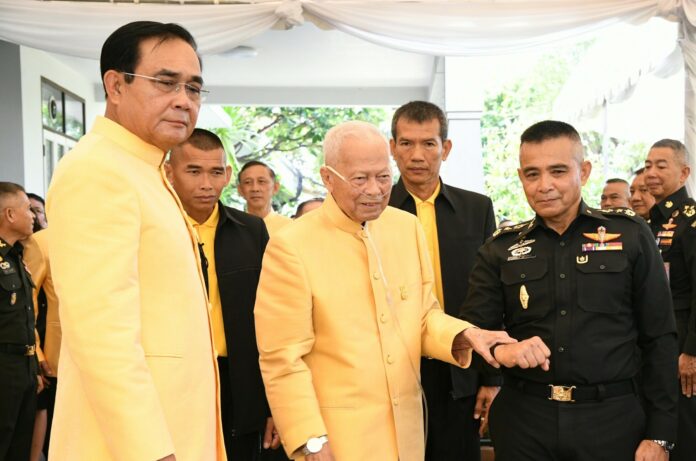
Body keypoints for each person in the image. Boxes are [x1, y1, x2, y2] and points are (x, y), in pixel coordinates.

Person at [254, 120, 541, 461]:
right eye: (360, 179)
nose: (375, 190)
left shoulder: (405, 228)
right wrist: (308, 439)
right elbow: (282, 359)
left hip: (407, 432)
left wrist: (468, 335)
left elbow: (422, 316)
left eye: (383, 177)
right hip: (336, 438)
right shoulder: (292, 245)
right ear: (328, 178)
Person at [46, 21, 224, 461]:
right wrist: (150, 451)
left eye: (194, 88)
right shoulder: (98, 171)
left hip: (173, 429)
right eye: (166, 83)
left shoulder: (144, 169)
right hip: (135, 445)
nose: (183, 100)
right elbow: (102, 334)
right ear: (115, 85)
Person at [461, 120, 678, 461]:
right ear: (521, 177)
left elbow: (660, 338)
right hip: (525, 422)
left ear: (584, 171)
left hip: (612, 420)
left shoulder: (630, 236)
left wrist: (661, 435)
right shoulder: (500, 249)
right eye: (532, 174)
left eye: (558, 171)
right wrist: (504, 352)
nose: (544, 185)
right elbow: (472, 333)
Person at [167, 128, 289, 461]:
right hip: (176, 380)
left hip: (239, 379)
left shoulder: (251, 232)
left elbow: (274, 319)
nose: (206, 183)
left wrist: (273, 404)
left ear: (227, 175)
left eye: (215, 172)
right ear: (169, 172)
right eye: (193, 171)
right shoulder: (158, 228)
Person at [388, 100, 499, 461]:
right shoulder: (375, 209)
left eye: (428, 143)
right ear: (392, 148)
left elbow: (492, 295)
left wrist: (491, 377)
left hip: (460, 364)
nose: (417, 155)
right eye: (406, 143)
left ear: (445, 148)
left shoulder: (476, 209)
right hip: (393, 366)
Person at [644, 139, 696, 461]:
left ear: (684, 172)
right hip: (654, 342)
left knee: (684, 428)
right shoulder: (650, 222)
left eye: (661, 165)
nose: (652, 172)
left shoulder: (691, 220)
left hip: (682, 343)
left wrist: (691, 351)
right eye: (648, 165)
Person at [0, 182, 40, 461]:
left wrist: (34, 365)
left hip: (24, 367)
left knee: (21, 447)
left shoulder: (17, 256)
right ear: (10, 215)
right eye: (28, 209)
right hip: (3, 368)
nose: (34, 216)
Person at [237, 161, 292, 235]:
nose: (255, 188)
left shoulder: (290, 227)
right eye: (248, 182)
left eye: (261, 181)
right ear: (240, 190)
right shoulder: (232, 228)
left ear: (275, 187)